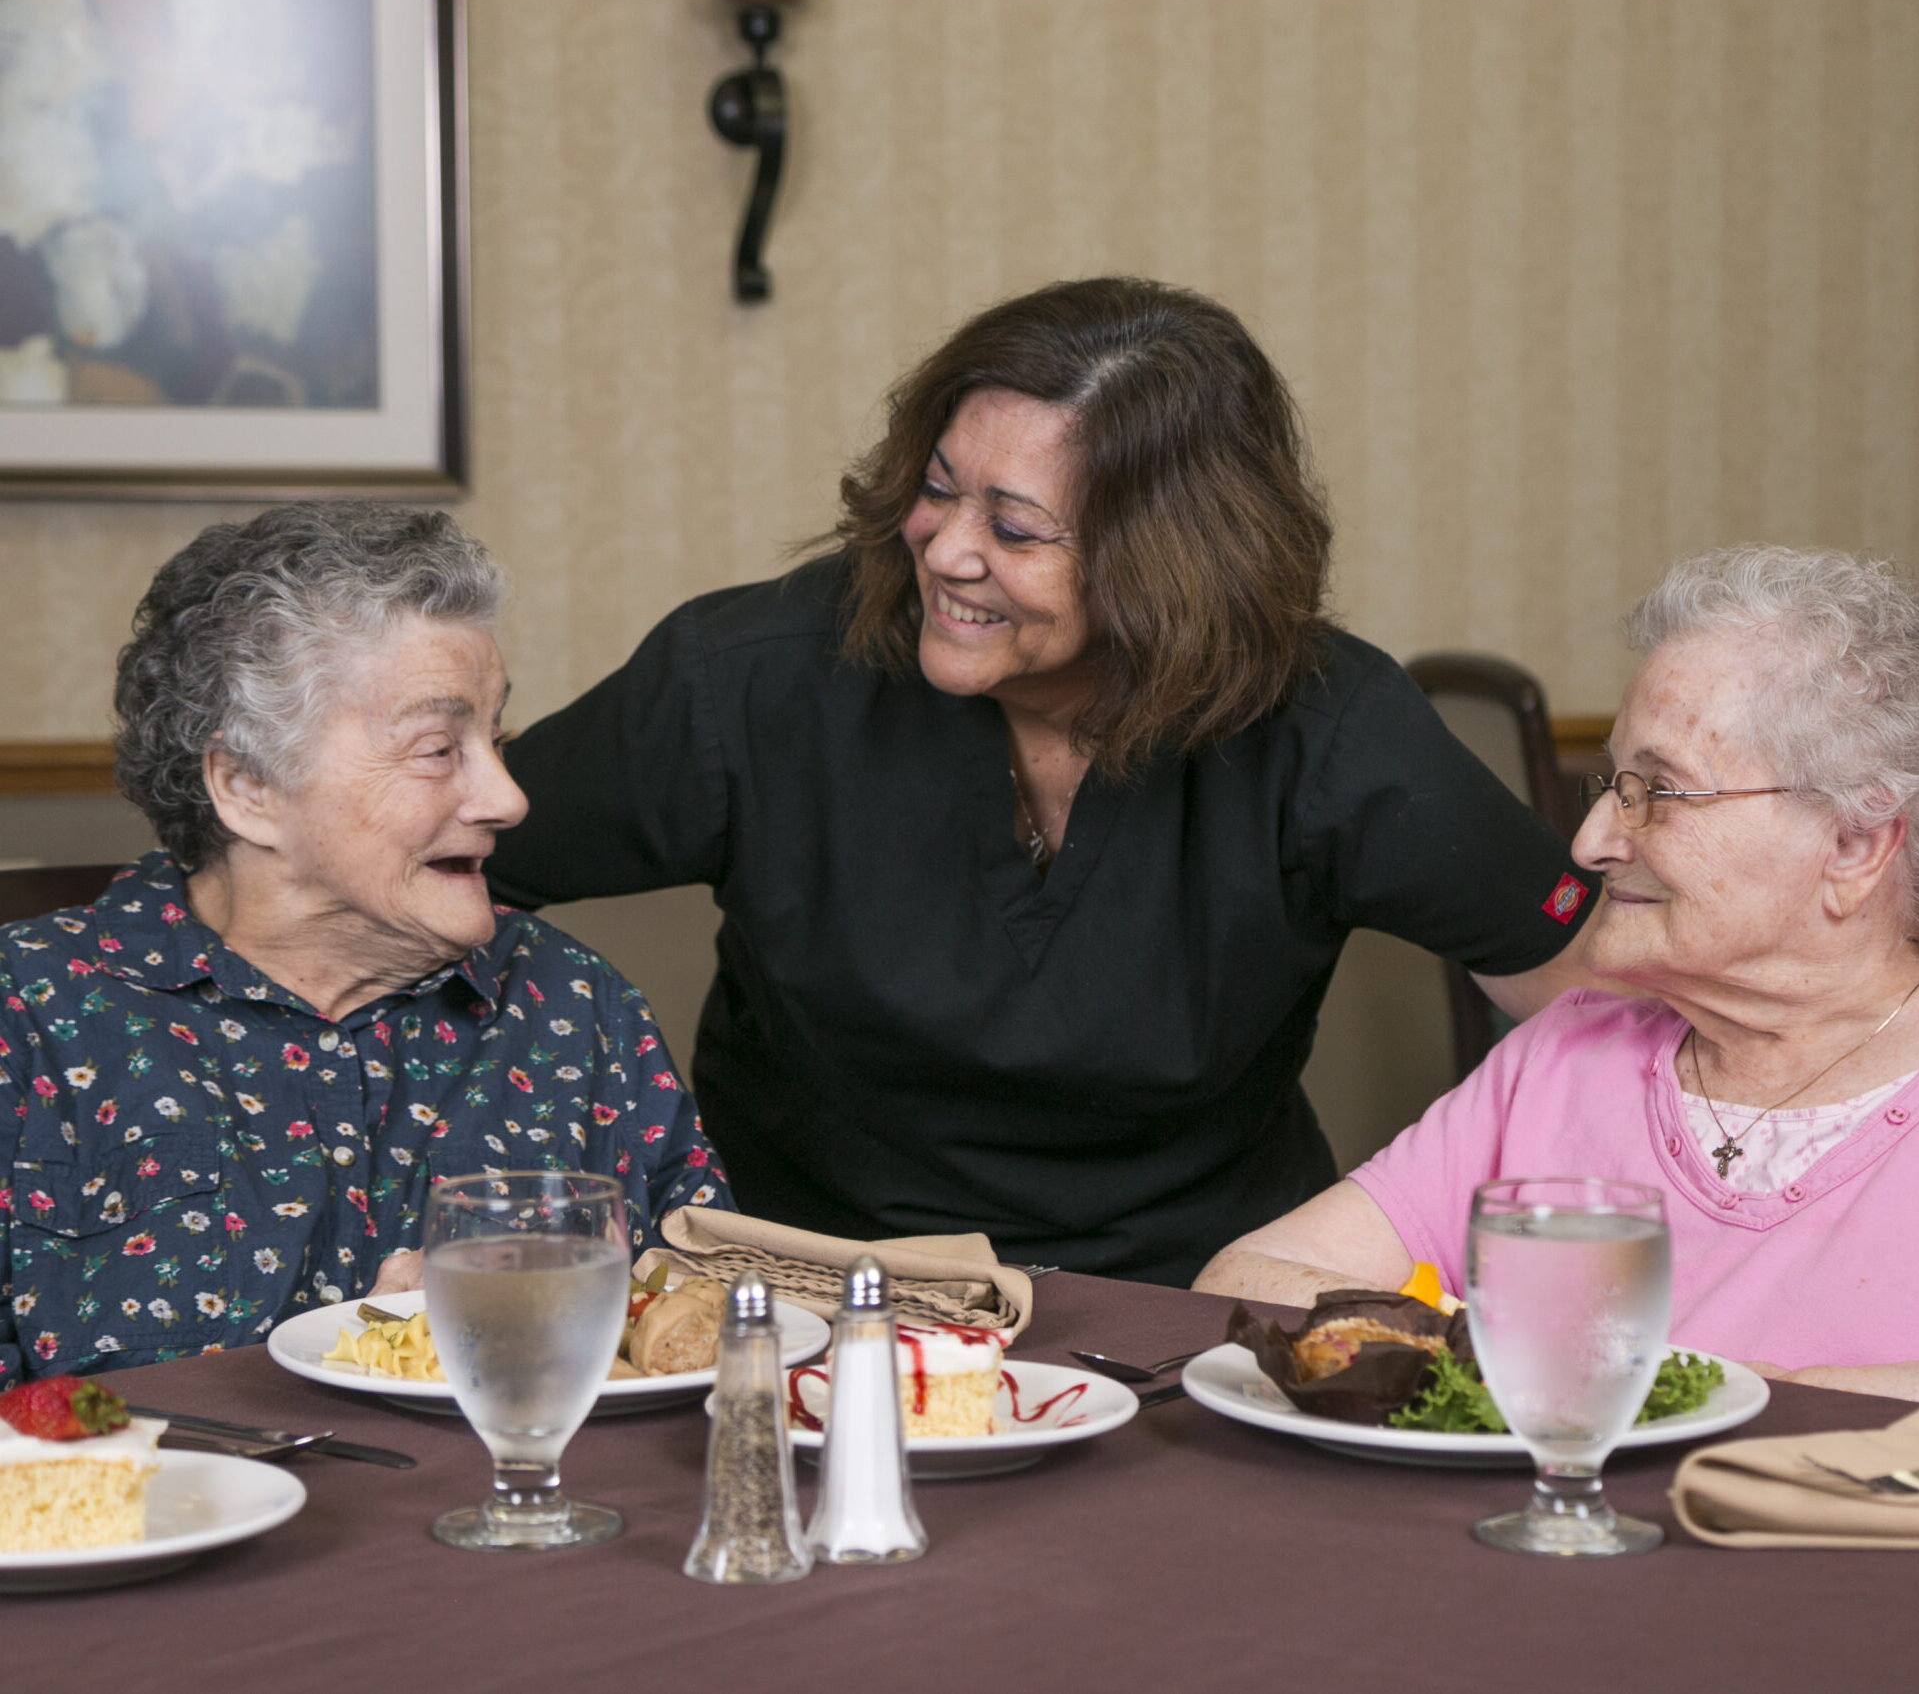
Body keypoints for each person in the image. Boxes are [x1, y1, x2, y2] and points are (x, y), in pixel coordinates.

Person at [488, 277, 1595, 1286]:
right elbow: (437, 870)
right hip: (814, 1297)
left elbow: (1597, 1005)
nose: (946, 549)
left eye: (1014, 526)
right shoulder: (751, 680)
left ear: (1173, 565)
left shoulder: (1327, 726)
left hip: (1191, 1312)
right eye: (936, 487)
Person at [1196, 546, 1919, 1403]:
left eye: (1658, 792)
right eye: (1611, 782)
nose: (1590, 843)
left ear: (1853, 844)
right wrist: (1520, 1369)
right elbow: (1250, 1281)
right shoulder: (1563, 1057)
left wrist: (1730, 1397)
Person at [0, 504, 730, 1385]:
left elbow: (701, 1332)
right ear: (247, 786)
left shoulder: (572, 1006)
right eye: (436, 748)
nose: (506, 798)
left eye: (492, 739)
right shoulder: (30, 1014)